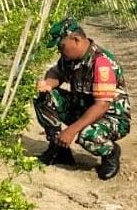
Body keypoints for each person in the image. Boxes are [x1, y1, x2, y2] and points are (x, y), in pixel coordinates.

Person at [34, 18, 131, 180]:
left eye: (61, 45)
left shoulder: (101, 63)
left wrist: (71, 130)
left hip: (110, 117)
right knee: (45, 97)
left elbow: (101, 106)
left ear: (76, 39)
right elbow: (56, 73)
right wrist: (47, 85)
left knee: (87, 135)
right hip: (83, 108)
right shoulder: (70, 58)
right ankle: (59, 149)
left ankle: (111, 153)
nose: (59, 50)